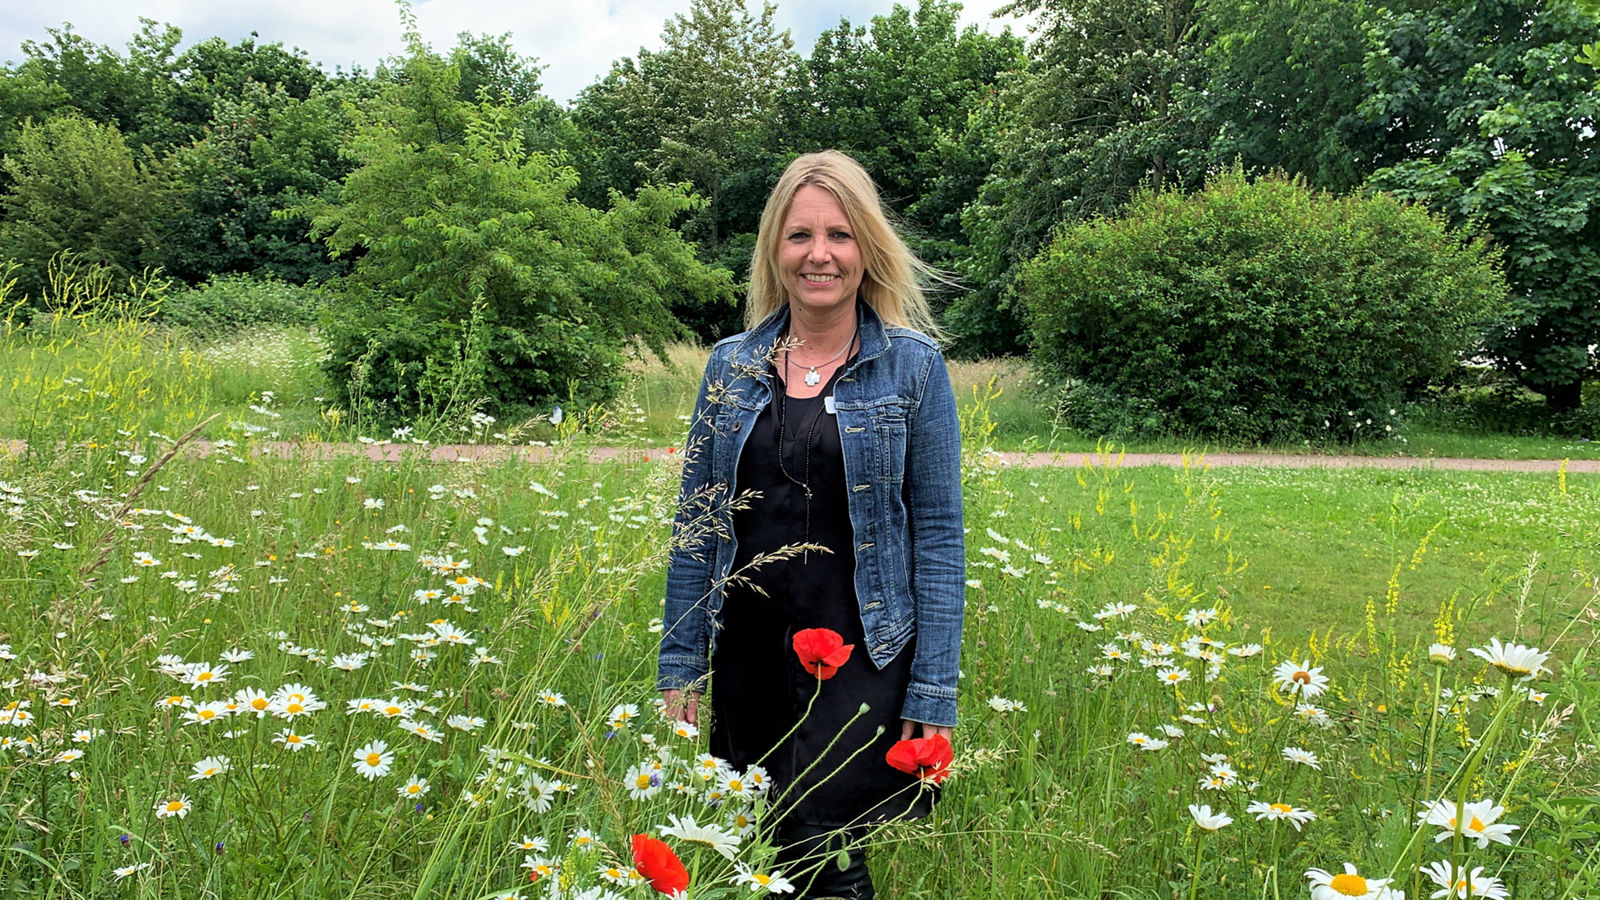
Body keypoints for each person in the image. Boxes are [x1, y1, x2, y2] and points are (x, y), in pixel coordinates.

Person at [657, 150, 965, 899]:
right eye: (800, 236)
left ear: (867, 250)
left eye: (839, 235)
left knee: (824, 847)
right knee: (753, 844)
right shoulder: (730, 366)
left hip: (862, 653)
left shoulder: (915, 370)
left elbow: (940, 538)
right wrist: (681, 664)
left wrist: (932, 693)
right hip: (749, 654)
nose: (819, 254)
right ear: (775, 249)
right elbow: (697, 524)